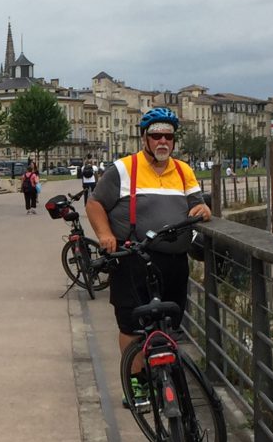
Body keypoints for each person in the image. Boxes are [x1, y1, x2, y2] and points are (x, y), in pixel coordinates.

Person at [86, 107, 212, 405]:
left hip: (174, 262)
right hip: (133, 258)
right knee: (131, 325)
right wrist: (105, 234)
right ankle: (138, 383)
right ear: (144, 138)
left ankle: (166, 375)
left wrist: (204, 209)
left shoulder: (183, 170)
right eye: (156, 136)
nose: (162, 141)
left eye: (168, 136)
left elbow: (197, 205)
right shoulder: (124, 169)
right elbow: (95, 204)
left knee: (170, 323)